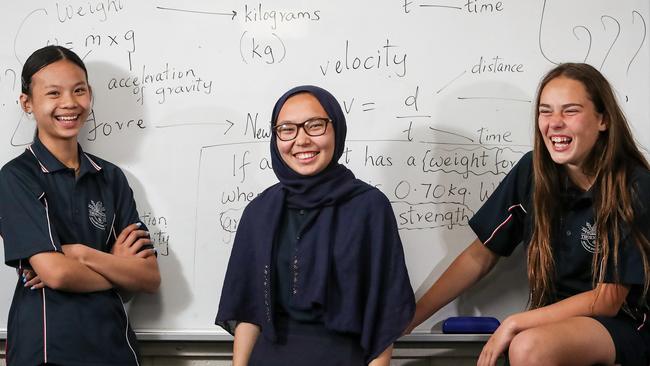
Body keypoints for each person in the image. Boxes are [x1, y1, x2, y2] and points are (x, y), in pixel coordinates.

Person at [405, 63, 650, 366]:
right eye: (546, 111)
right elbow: (480, 256)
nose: (554, 123)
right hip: (549, 323)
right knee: (525, 345)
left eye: (570, 111)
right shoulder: (532, 172)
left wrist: (516, 322)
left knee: (527, 347)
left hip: (624, 325)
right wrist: (411, 318)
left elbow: (607, 301)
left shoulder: (634, 185)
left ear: (603, 119)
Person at [216, 85, 415, 365]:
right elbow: (249, 315)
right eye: (287, 129)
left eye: (315, 126)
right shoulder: (259, 211)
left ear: (336, 129)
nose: (301, 139)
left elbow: (383, 318)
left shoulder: (369, 207)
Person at [0, 45, 160, 365]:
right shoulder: (16, 178)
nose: (69, 103)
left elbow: (148, 278)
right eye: (53, 93)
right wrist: (117, 267)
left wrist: (78, 253)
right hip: (48, 350)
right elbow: (56, 274)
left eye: (79, 90)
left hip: (114, 348)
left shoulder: (110, 177)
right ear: (27, 103)